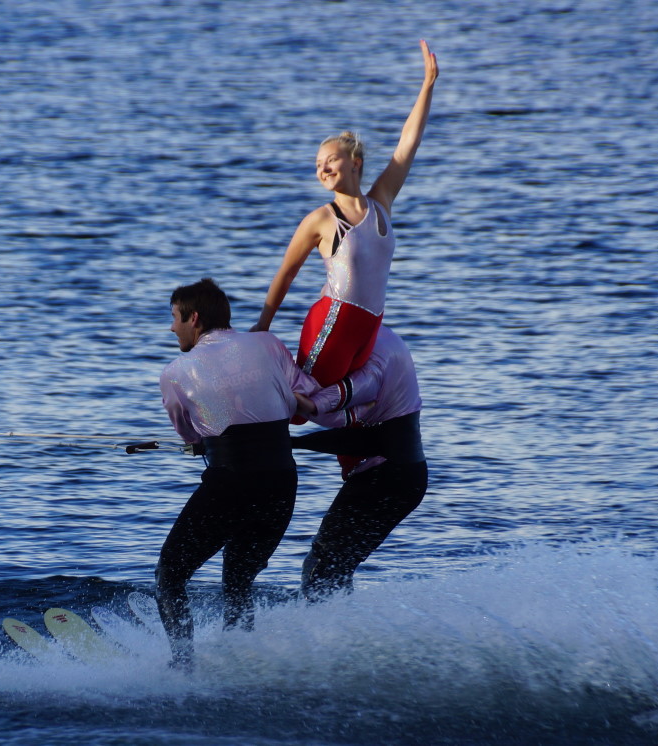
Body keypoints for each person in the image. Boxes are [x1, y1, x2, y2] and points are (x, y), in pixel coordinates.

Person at [252, 41, 439, 389]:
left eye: (330, 161)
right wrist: (263, 325)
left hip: (367, 331)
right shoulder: (322, 219)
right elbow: (287, 272)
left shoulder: (381, 201)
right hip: (333, 323)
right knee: (300, 402)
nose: (323, 169)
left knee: (346, 405)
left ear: (355, 164)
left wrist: (427, 86)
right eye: (318, 166)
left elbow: (407, 144)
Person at [157, 278, 319, 670]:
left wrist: (205, 438)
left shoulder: (177, 371)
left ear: (194, 318)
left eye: (175, 318)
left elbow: (190, 434)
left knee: (170, 575)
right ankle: (240, 662)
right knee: (238, 578)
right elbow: (309, 396)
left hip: (231, 482)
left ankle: (183, 668)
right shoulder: (267, 343)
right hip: (282, 481)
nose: (172, 327)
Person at [291, 325, 427, 601]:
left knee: (323, 564)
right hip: (398, 476)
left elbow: (364, 439)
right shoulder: (383, 340)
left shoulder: (376, 359)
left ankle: (328, 635)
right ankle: (343, 629)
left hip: (388, 478)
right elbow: (352, 423)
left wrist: (292, 441)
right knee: (334, 564)